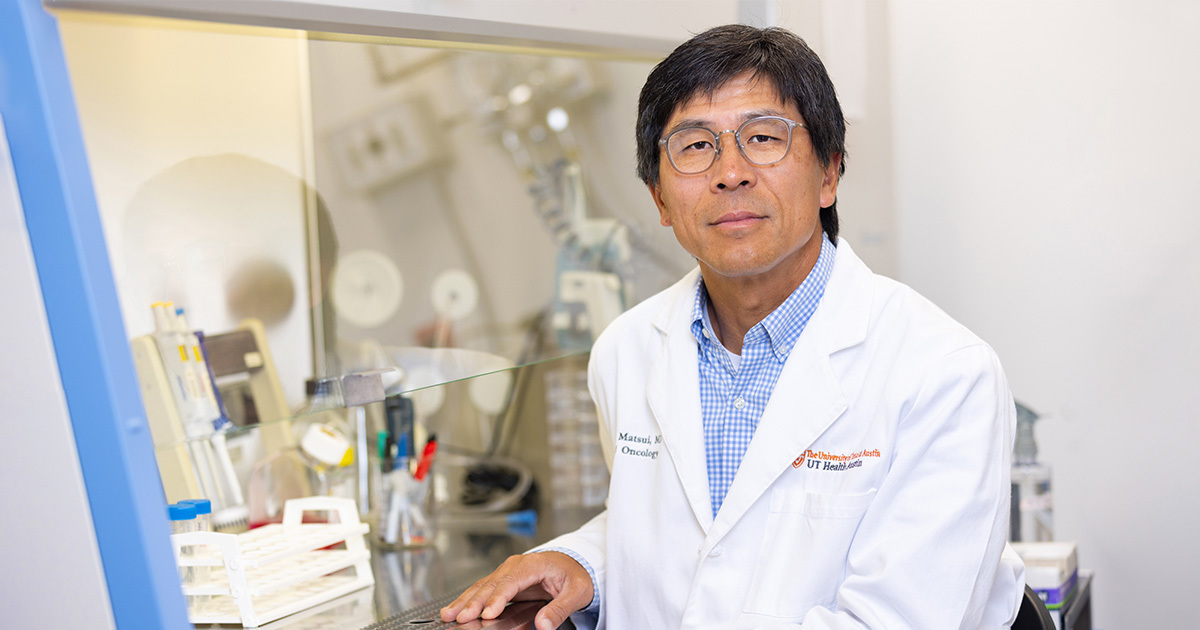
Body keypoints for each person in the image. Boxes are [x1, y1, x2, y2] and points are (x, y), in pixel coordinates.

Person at [441, 24, 1025, 629]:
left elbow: (902, 618)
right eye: (695, 147)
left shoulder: (944, 373)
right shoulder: (628, 349)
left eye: (764, 138)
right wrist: (583, 562)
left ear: (829, 173)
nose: (730, 172)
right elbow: (686, 531)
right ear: (660, 200)